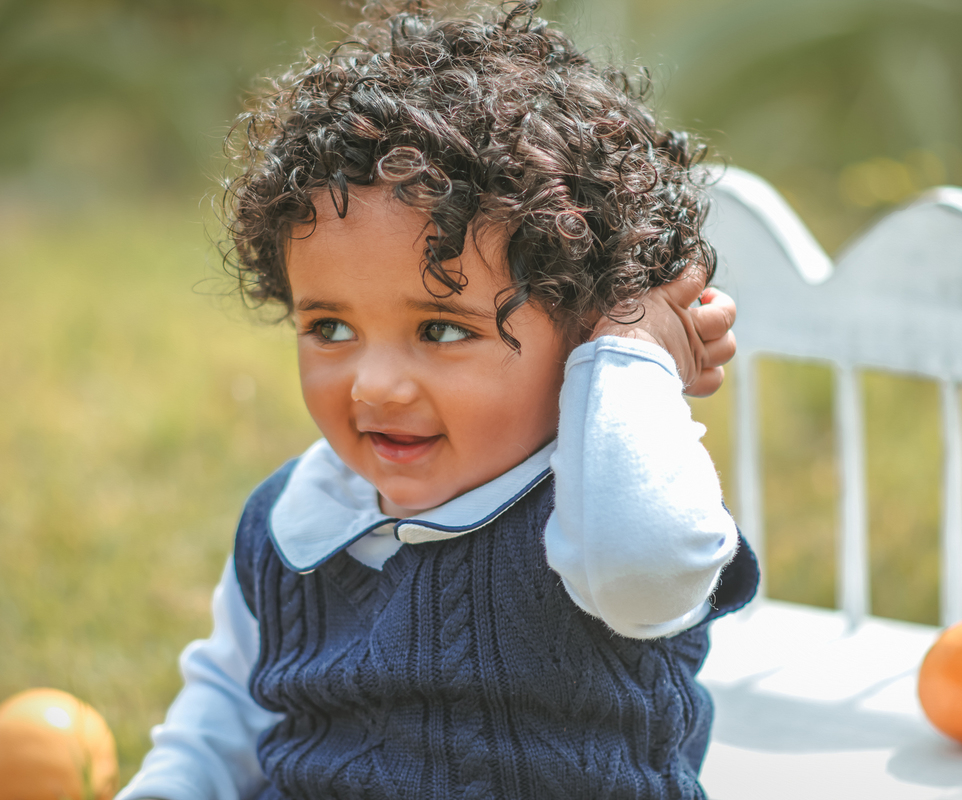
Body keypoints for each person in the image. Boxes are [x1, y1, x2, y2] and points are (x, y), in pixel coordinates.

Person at [118, 1, 757, 798]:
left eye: (443, 330)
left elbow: (642, 570)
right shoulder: (294, 518)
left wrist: (630, 351)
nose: (374, 385)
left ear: (581, 325)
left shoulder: (606, 512)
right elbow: (220, 721)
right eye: (330, 327)